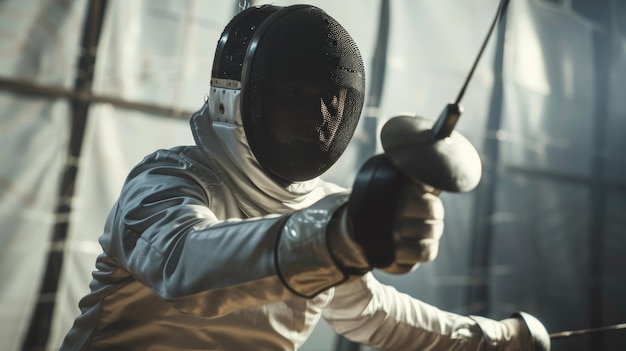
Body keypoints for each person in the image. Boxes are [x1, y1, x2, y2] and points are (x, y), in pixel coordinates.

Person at [60, 4, 550, 351]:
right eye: (294, 94)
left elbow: (373, 314)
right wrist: (333, 238)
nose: (318, 118)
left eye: (332, 101)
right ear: (238, 99)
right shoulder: (168, 179)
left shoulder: (328, 209)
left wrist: (495, 340)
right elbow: (184, 264)